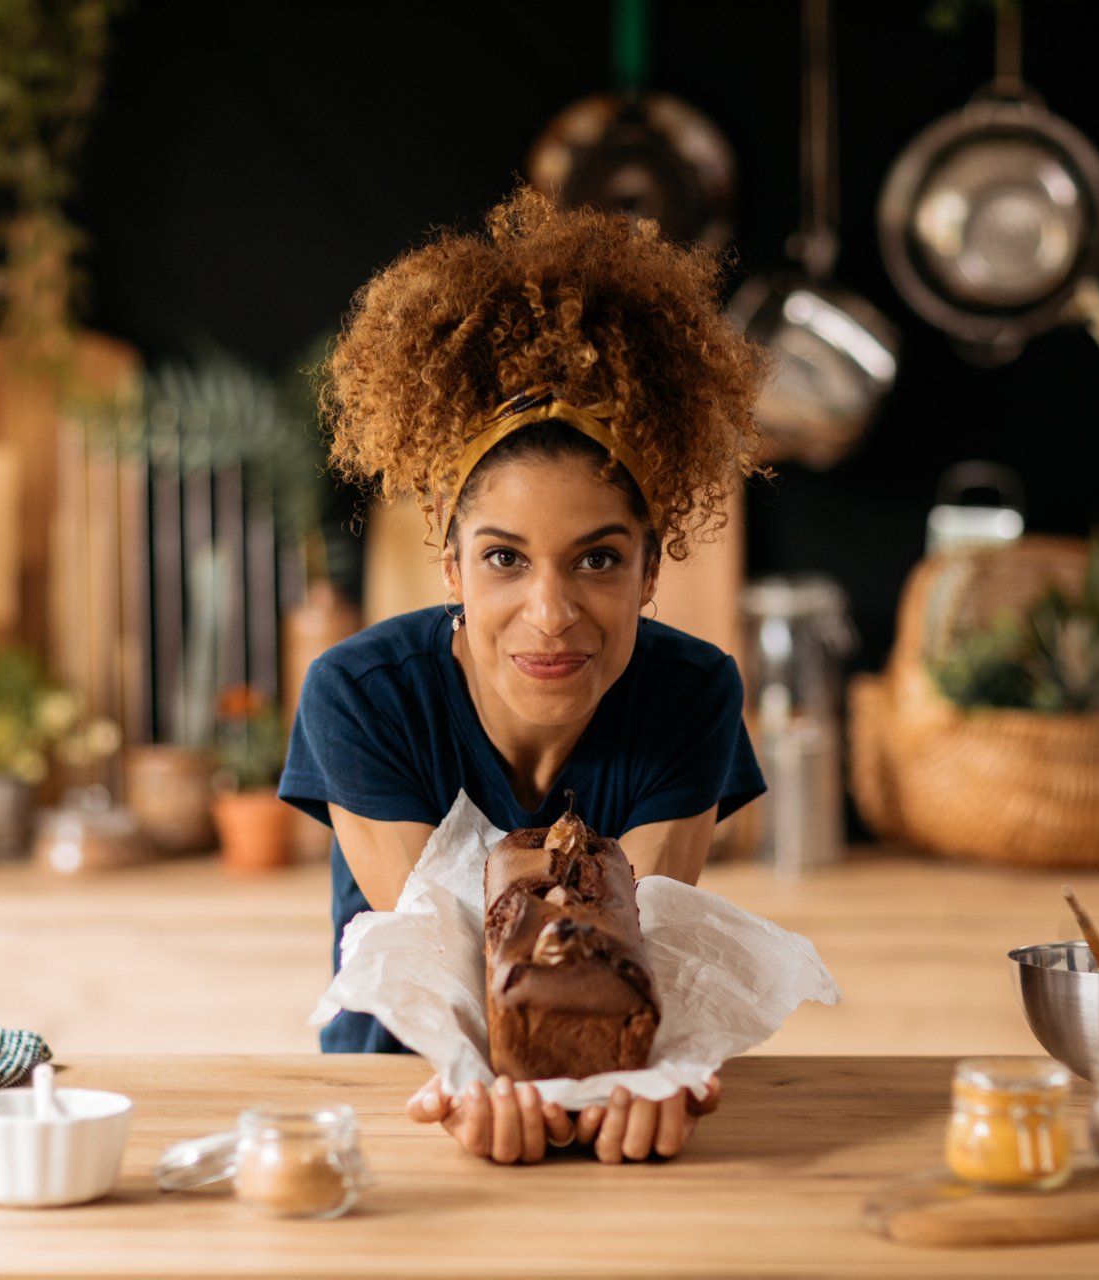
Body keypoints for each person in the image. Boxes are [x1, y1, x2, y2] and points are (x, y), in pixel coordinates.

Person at [279, 187, 770, 1164]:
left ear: (649, 570)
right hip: (401, 1103)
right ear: (452, 566)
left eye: (596, 558)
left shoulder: (693, 694)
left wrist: (641, 1082)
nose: (550, 611)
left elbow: (636, 959)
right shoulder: (363, 696)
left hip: (614, 1119)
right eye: (506, 558)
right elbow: (444, 968)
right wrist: (481, 1086)